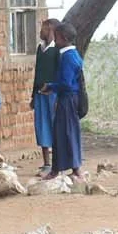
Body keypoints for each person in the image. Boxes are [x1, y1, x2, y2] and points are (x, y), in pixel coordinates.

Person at [41, 20, 85, 179]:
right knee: (64, 132)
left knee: (65, 133)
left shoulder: (68, 57)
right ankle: (66, 167)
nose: (55, 40)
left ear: (64, 38)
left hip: (67, 99)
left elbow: (66, 83)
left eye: (57, 37)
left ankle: (70, 169)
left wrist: (51, 86)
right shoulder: (72, 55)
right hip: (68, 98)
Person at [31, 18, 59, 174]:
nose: (40, 32)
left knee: (54, 125)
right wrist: (33, 96)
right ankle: (46, 162)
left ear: (50, 30)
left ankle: (56, 162)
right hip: (40, 94)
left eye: (43, 29)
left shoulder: (56, 50)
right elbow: (37, 73)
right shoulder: (40, 49)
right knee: (41, 126)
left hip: (53, 94)